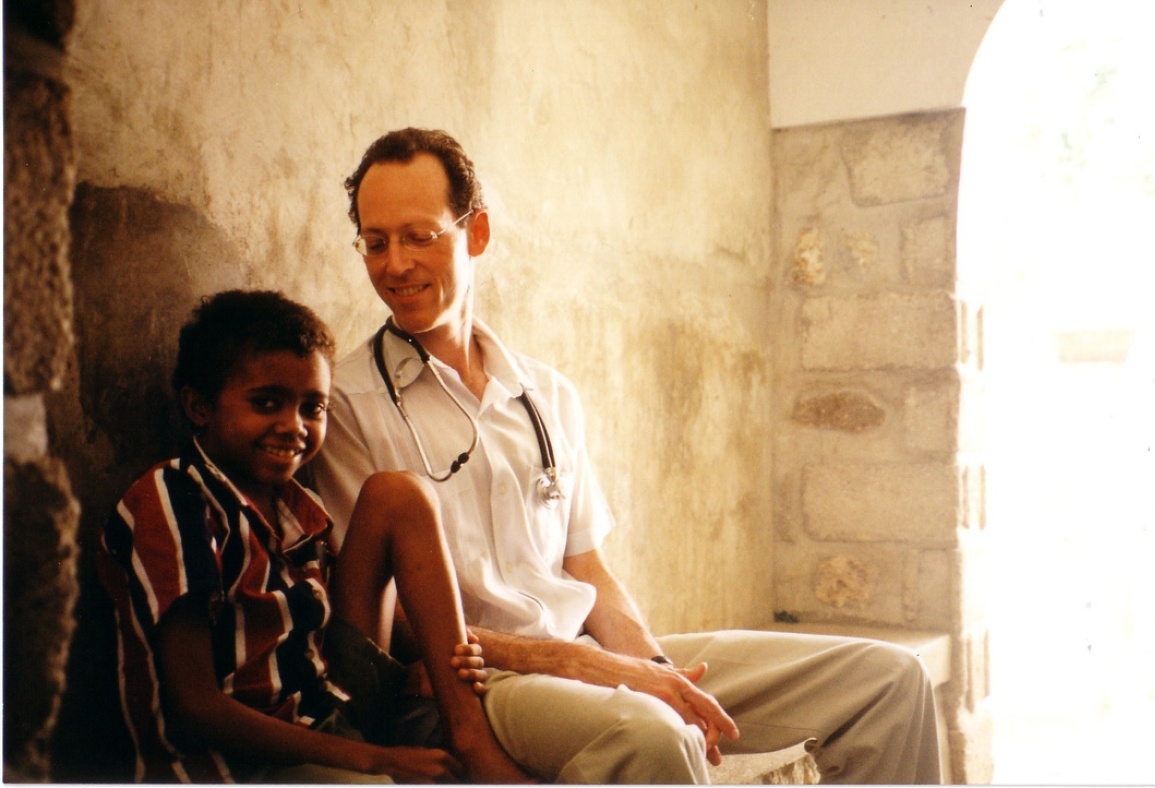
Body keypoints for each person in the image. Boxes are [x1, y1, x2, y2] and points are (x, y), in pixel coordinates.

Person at [309, 128, 944, 784]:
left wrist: (660, 674)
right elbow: (399, 626)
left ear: (476, 234)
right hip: (480, 686)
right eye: (375, 242)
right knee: (653, 737)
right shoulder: (348, 406)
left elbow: (589, 571)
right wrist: (598, 670)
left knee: (889, 682)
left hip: (584, 658)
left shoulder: (545, 394)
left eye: (419, 236)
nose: (395, 264)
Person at [96, 289, 528, 783]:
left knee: (398, 494)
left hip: (330, 714)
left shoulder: (299, 507)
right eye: (267, 403)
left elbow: (335, 632)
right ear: (199, 406)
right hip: (241, 763)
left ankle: (466, 732)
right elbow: (196, 707)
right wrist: (376, 759)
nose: (293, 426)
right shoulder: (173, 499)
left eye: (312, 408)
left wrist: (438, 656)